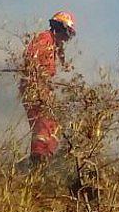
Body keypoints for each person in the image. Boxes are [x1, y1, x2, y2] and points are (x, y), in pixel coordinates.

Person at [18, 11, 76, 164]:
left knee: (53, 124)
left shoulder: (53, 44)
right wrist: (38, 81)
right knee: (43, 122)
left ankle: (45, 155)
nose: (65, 38)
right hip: (35, 86)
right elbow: (30, 58)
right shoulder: (44, 38)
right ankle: (38, 159)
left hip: (41, 87)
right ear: (60, 28)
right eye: (65, 33)